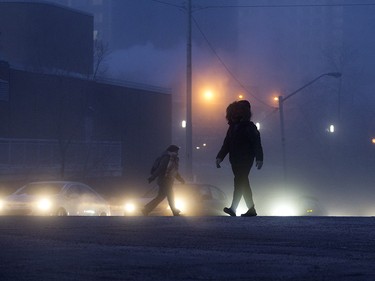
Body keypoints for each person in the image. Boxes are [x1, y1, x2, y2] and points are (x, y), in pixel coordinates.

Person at [216, 100, 263, 217]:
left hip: (246, 159)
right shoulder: (232, 128)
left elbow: (257, 143)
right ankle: (251, 209)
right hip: (235, 159)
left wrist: (259, 158)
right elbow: (226, 144)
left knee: (239, 181)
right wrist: (220, 157)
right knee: (243, 182)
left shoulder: (249, 127)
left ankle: (234, 208)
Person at [143, 144, 185, 216]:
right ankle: (174, 211)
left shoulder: (173, 159)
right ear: (172, 151)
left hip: (168, 180)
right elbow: (160, 168)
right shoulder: (167, 158)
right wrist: (152, 177)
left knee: (161, 197)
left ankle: (146, 209)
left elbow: (174, 171)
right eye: (176, 151)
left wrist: (180, 179)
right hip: (164, 180)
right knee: (170, 196)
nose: (177, 153)